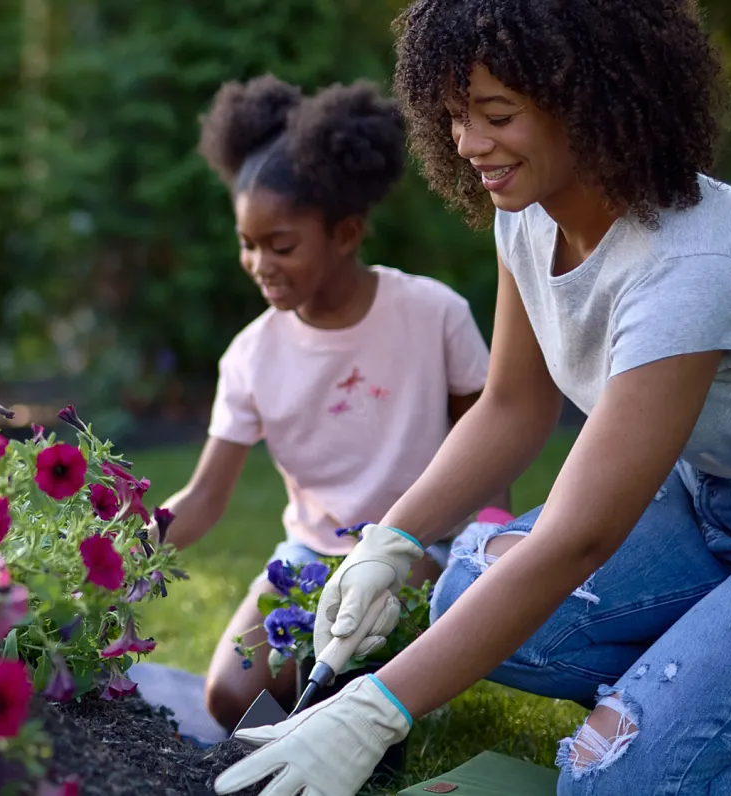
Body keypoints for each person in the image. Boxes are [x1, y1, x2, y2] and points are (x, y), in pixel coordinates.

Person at [216, 2, 731, 794]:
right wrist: (390, 544)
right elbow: (510, 409)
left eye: (497, 116)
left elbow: (579, 537)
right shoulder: (529, 219)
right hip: (707, 497)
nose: (468, 146)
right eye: (455, 117)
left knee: (610, 779)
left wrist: (381, 705)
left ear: (591, 99)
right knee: (468, 584)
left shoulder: (693, 255)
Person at [158, 73, 510, 732]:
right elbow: (205, 498)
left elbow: (492, 444)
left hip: (418, 551)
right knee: (231, 699)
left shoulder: (432, 313)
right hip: (310, 559)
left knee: (345, 682)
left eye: (281, 245)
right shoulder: (250, 355)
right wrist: (135, 541)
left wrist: (487, 553)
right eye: (247, 244)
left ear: (346, 234)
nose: (260, 262)